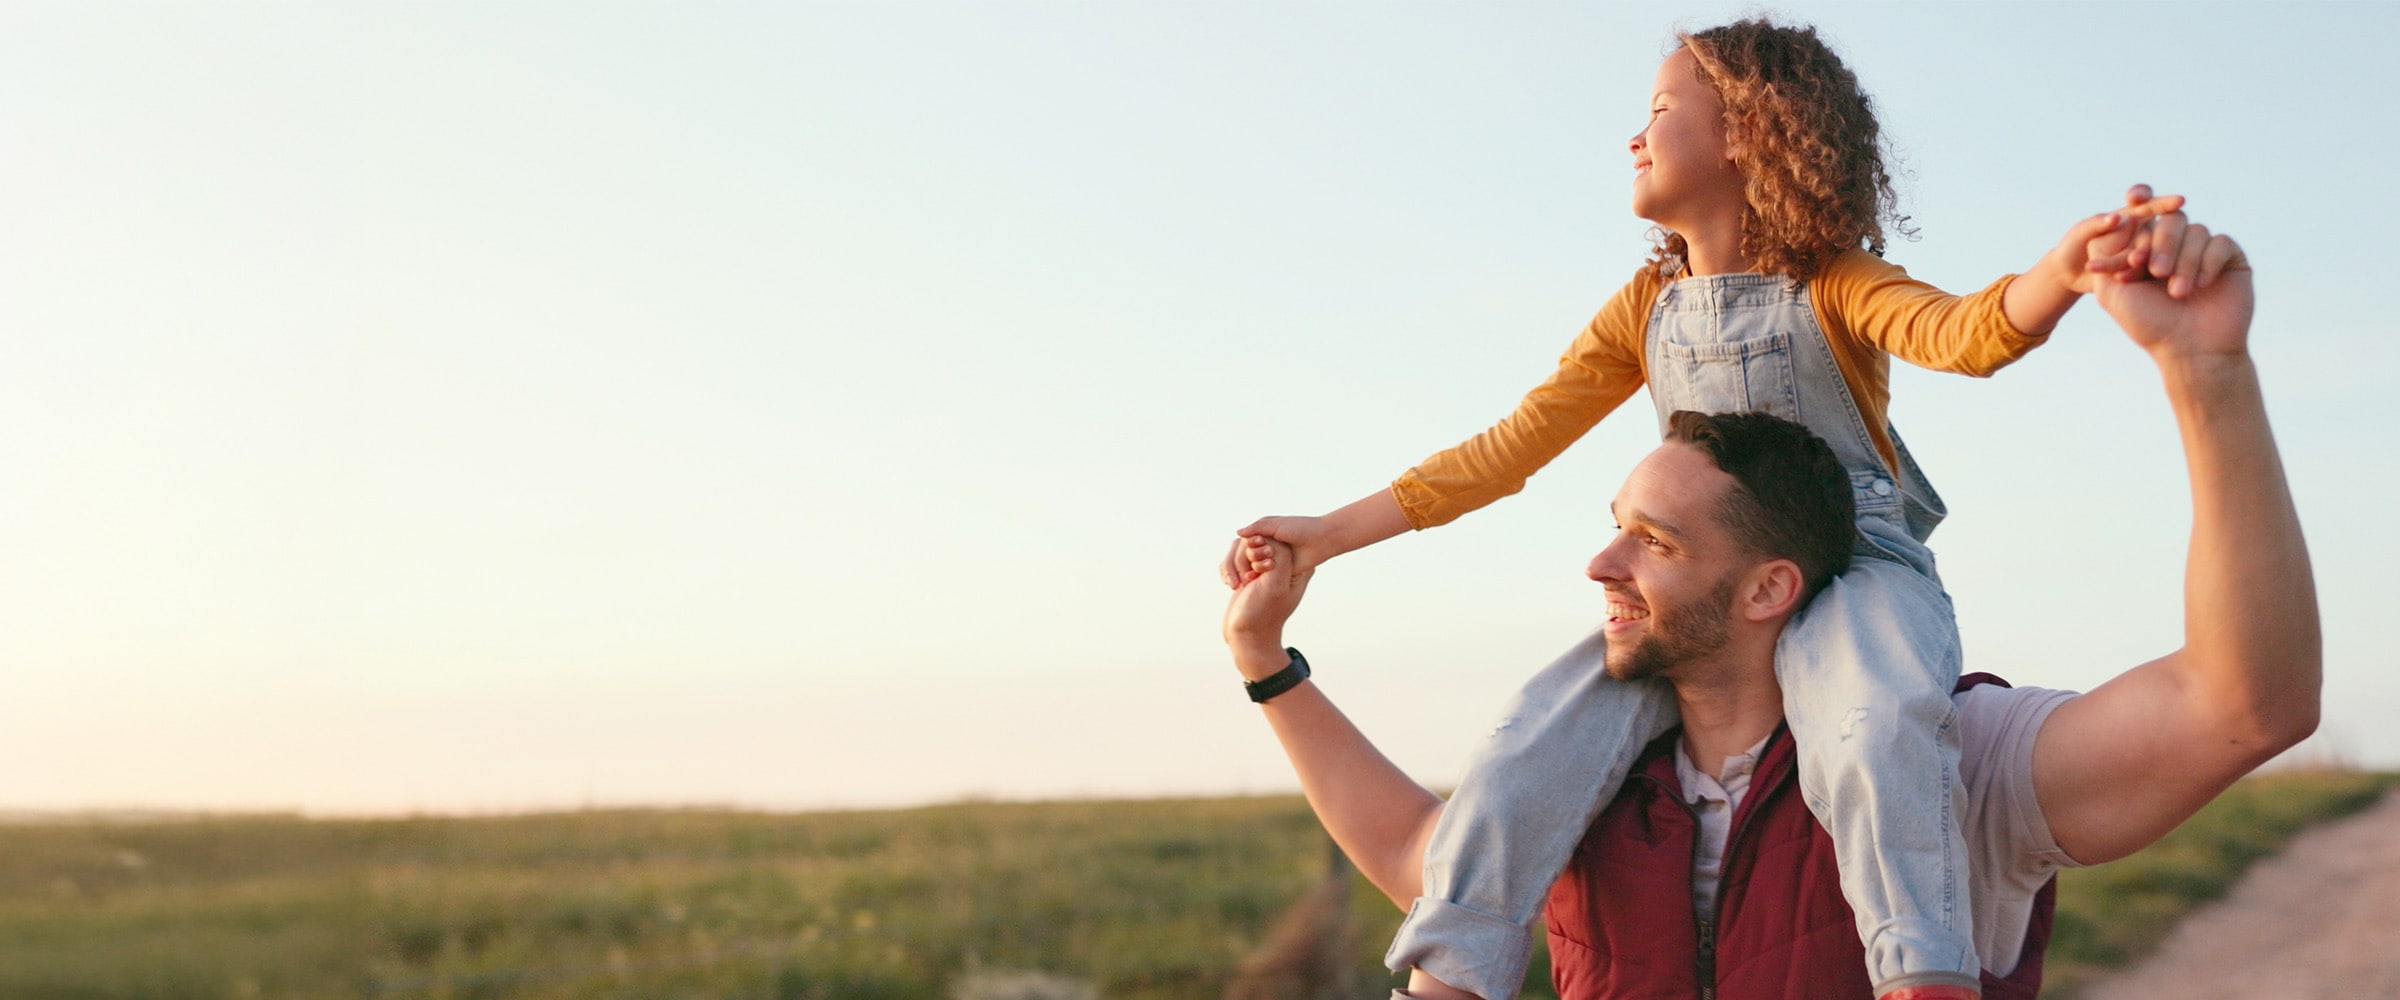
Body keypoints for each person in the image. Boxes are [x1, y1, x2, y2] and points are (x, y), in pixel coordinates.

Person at [1218, 18, 2199, 1000]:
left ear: (1751, 132)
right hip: (1696, 589)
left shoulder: (1833, 284)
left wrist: (2066, 271)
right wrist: (1327, 535)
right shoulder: (1644, 308)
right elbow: (1508, 449)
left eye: (1657, 111)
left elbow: (1967, 332)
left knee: (1875, 725)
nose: (1633, 137)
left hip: (1853, 566)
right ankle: (1451, 980)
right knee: (1522, 752)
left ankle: (1922, 972)